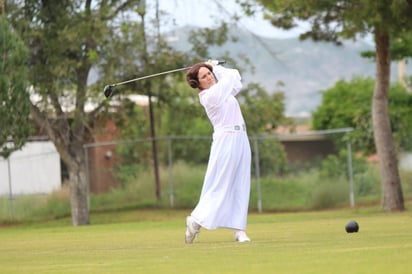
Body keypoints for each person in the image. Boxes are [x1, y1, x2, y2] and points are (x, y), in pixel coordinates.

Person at [184, 60, 252, 244]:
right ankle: (196, 220)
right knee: (221, 184)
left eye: (209, 73)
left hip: (241, 137)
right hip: (226, 139)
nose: (210, 76)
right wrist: (214, 66)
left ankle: (239, 231)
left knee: (241, 183)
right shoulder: (210, 96)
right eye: (204, 76)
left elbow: (237, 80)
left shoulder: (222, 90)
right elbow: (231, 75)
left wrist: (212, 67)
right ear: (198, 84)